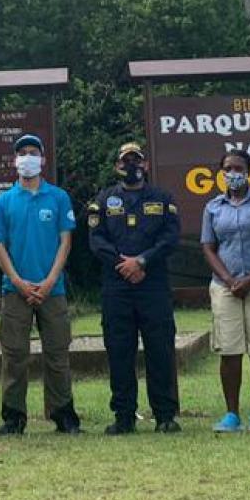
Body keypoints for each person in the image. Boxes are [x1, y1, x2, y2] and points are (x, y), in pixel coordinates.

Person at [0, 134, 82, 436]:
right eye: (22, 153)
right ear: (14, 160)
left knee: (57, 354)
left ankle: (62, 414)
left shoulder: (58, 197)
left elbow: (66, 240)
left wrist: (51, 279)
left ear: (42, 159)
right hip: (15, 290)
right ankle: (13, 416)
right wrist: (17, 281)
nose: (27, 158)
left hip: (51, 290)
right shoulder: (4, 201)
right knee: (14, 355)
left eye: (33, 152)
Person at [87, 143, 182, 435]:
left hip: (152, 285)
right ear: (118, 166)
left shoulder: (163, 199)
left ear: (146, 165)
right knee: (119, 351)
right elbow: (96, 240)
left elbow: (170, 238)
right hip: (117, 286)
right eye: (126, 161)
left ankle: (165, 415)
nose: (132, 166)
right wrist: (124, 264)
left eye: (136, 161)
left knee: (160, 350)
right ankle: (124, 415)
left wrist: (141, 261)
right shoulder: (103, 201)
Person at [200, 150, 250, 434]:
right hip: (224, 286)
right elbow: (208, 246)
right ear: (220, 172)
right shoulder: (213, 207)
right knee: (230, 349)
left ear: (249, 171)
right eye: (228, 168)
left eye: (238, 168)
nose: (233, 173)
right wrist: (228, 278)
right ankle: (232, 414)